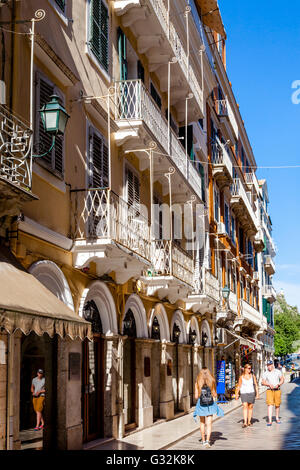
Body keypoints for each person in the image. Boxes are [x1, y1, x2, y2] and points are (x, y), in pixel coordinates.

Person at [193, 367, 224, 448]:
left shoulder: (197, 383)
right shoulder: (212, 382)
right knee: (209, 424)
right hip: (210, 405)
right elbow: (215, 395)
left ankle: (203, 440)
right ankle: (207, 441)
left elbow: (196, 396)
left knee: (202, 423)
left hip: (201, 404)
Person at [261, 360, 284, 426]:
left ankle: (277, 418)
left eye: (270, 365)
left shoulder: (278, 371)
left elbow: (282, 379)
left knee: (277, 405)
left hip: (277, 389)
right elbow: (263, 382)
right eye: (268, 365)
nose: (269, 366)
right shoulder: (265, 373)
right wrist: (268, 384)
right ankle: (270, 420)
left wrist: (279, 384)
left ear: (272, 365)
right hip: (269, 390)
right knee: (270, 405)